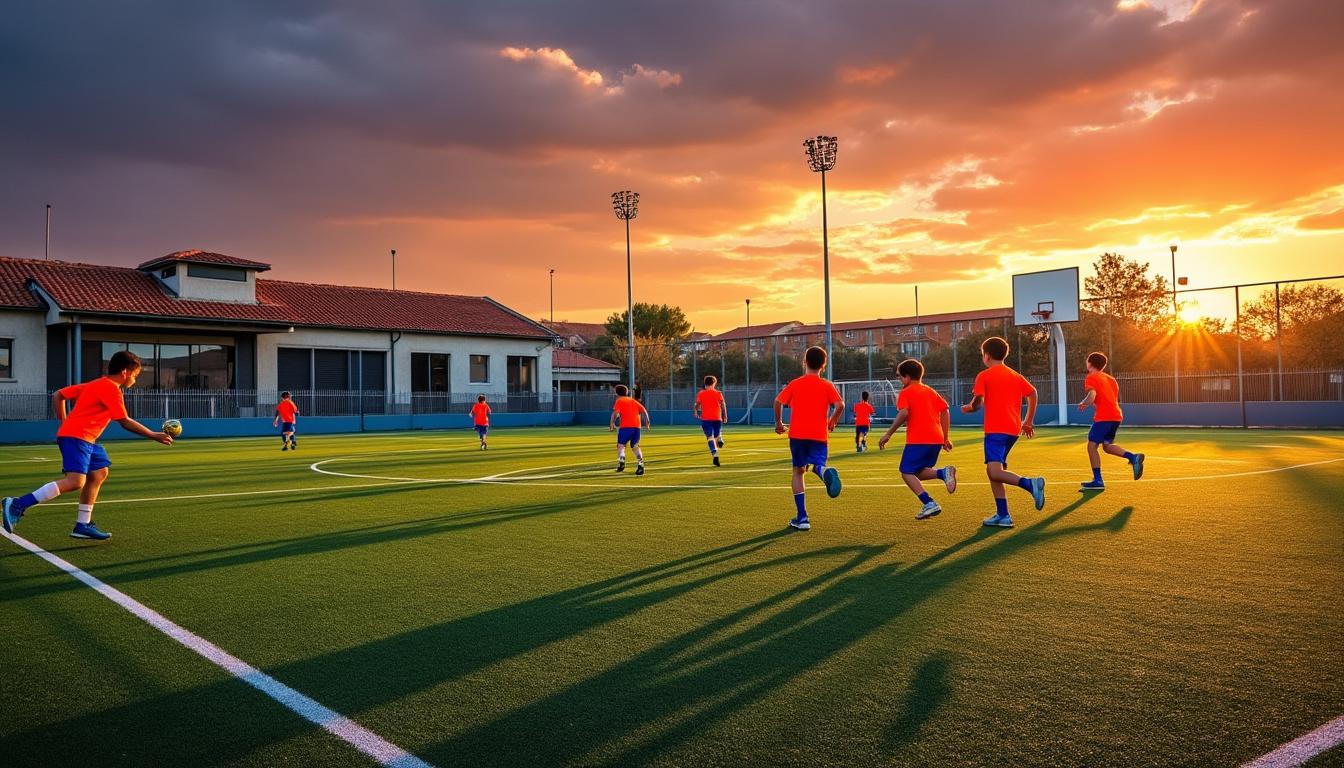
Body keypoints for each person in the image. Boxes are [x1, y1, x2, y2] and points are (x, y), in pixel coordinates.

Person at [3, 350, 173, 540]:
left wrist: (64, 422)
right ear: (125, 372)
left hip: (84, 438)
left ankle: (82, 525)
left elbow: (58, 395)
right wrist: (152, 435)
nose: (135, 379)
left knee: (99, 473)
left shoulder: (95, 384)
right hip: (78, 438)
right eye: (135, 375)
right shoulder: (111, 389)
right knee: (75, 482)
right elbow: (124, 421)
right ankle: (18, 504)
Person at [961, 336, 1045, 528]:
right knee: (994, 472)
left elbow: (978, 402)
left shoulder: (984, 375)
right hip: (1012, 430)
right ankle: (1003, 515)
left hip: (995, 430)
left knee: (994, 471)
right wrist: (1028, 421)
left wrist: (969, 408)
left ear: (986, 356)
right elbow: (1033, 393)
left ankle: (1030, 484)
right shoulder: (1015, 375)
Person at [774, 346, 844, 531]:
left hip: (798, 434)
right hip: (819, 435)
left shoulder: (795, 384)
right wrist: (832, 421)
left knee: (798, 471)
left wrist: (779, 422)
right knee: (818, 465)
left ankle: (802, 517)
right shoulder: (827, 385)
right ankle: (823, 471)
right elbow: (840, 405)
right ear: (824, 365)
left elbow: (778, 402)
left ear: (804, 362)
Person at [878, 359, 957, 520]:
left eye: (899, 376)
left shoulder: (906, 392)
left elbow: (904, 413)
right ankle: (943, 473)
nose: (899, 380)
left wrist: (888, 434)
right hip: (935, 439)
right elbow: (945, 411)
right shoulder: (930, 391)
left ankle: (929, 503)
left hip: (919, 439)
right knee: (917, 472)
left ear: (907, 377)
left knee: (906, 472)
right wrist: (945, 437)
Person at [1077, 352, 1144, 490]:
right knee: (1107, 446)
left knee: (1091, 446)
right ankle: (1133, 457)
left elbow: (1092, 395)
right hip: (1116, 416)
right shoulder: (1111, 379)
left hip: (1104, 417)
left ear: (1089, 363)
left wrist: (1084, 402)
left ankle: (1098, 480)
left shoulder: (1091, 377)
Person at [609, 384, 651, 475]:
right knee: (635, 446)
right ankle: (641, 465)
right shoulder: (633, 400)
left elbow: (615, 413)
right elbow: (644, 410)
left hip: (626, 427)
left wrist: (612, 423)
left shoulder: (619, 400)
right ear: (626, 392)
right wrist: (647, 422)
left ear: (616, 393)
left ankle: (622, 463)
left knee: (621, 445)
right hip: (637, 427)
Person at [694, 375, 728, 466]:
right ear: (714, 383)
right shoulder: (718, 393)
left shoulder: (701, 393)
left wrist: (696, 411)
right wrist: (725, 416)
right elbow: (723, 405)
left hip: (706, 419)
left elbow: (697, 405)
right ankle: (720, 437)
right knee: (715, 437)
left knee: (710, 437)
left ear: (705, 383)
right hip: (717, 419)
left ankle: (715, 454)